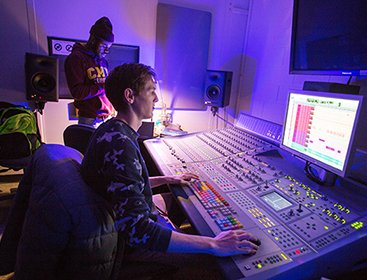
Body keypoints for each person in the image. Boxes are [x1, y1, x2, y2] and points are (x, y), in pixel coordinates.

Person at [81, 63, 260, 278]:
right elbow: (138, 231)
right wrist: (213, 244)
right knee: (225, 264)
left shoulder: (112, 130)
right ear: (130, 96)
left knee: (178, 198)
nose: (156, 98)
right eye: (150, 91)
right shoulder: (120, 143)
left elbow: (124, 184)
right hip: (128, 244)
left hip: (119, 218)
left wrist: (168, 178)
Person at [64, 16, 115, 127]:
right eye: (103, 46)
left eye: (109, 47)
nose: (106, 50)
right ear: (93, 40)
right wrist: (103, 87)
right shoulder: (76, 58)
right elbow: (77, 92)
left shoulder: (103, 61)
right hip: (90, 121)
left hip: (107, 118)